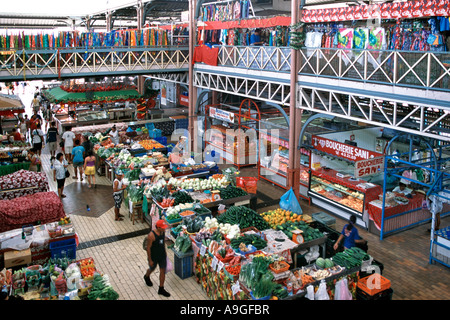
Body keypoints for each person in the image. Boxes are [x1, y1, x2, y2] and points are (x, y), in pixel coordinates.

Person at [143, 219, 171, 297]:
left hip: (162, 256)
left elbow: (162, 244)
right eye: (163, 227)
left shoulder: (163, 232)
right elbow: (148, 248)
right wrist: (150, 260)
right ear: (158, 227)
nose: (164, 228)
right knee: (152, 268)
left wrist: (165, 254)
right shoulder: (151, 236)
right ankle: (146, 276)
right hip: (154, 256)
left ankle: (161, 288)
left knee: (162, 271)